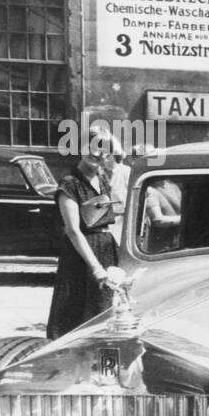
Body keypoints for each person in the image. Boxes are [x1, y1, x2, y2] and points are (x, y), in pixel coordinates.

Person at [46, 143, 120, 339]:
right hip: (83, 253)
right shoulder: (69, 183)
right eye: (93, 146)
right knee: (77, 312)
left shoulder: (102, 178)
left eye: (104, 150)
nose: (97, 153)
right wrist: (96, 268)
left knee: (104, 309)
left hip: (106, 246)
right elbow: (72, 230)